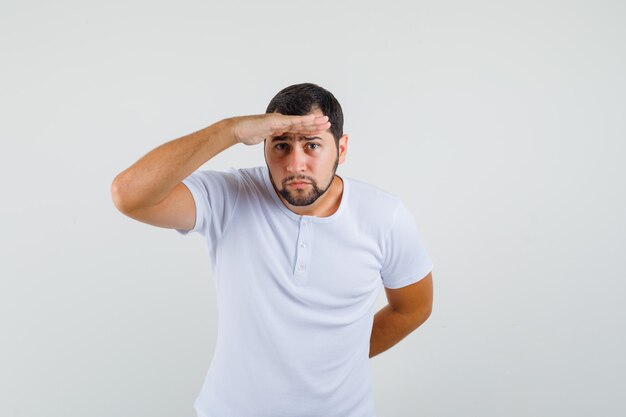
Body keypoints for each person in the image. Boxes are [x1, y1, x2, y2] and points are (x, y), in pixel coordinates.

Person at [111, 82, 434, 417]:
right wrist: (230, 130)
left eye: (312, 145)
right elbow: (128, 195)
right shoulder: (230, 196)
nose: (295, 165)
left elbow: (413, 308)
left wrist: (341, 358)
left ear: (342, 148)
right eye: (281, 146)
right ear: (263, 146)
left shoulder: (384, 216)